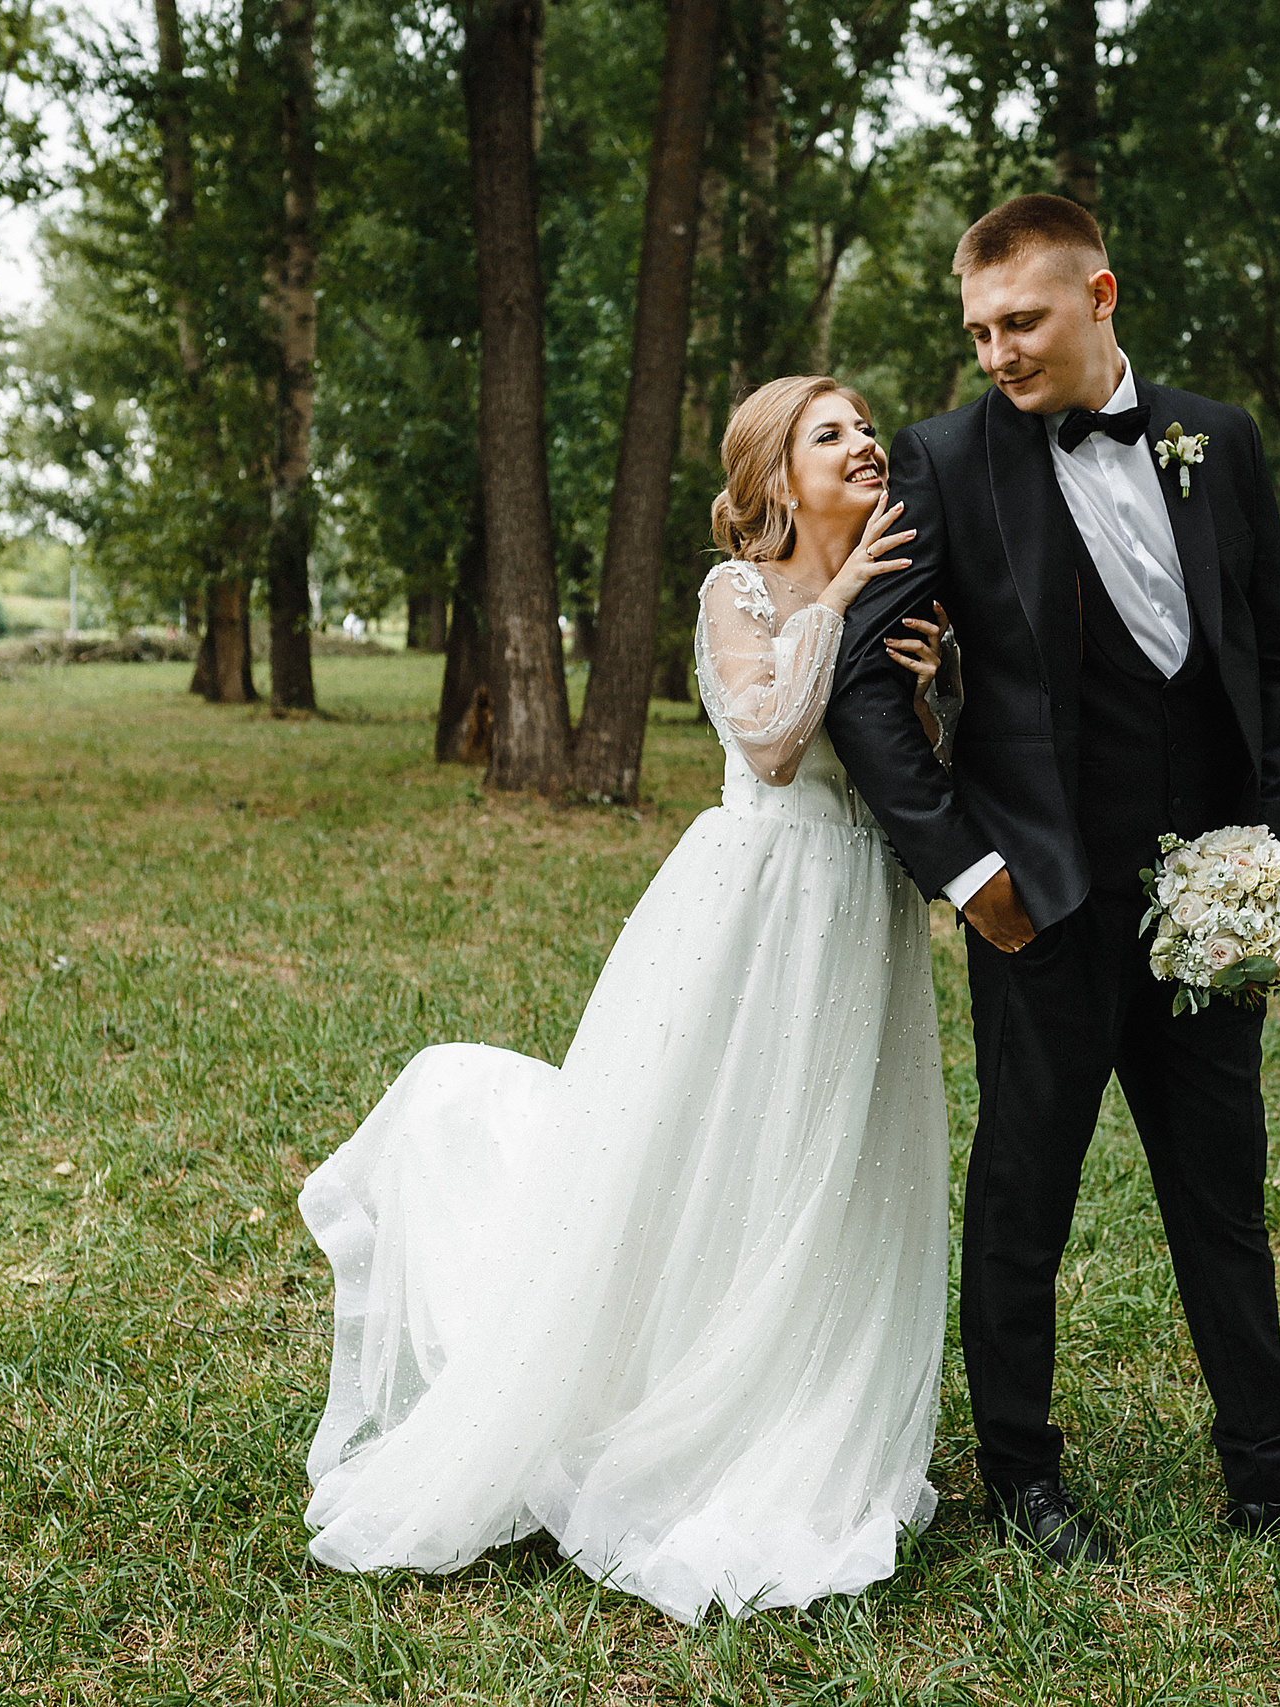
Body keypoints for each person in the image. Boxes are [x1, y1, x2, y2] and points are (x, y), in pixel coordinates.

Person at [824, 194, 1280, 1564]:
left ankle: (1274, 1467)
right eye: (978, 330)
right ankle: (1023, 1477)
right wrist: (969, 869)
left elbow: (1276, 664)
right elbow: (864, 686)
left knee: (1224, 1189)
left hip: (1205, 905)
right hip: (1040, 902)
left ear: (1099, 296)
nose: (996, 351)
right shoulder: (944, 460)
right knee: (1024, 1196)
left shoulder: (1219, 439)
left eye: (1021, 321)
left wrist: (1262, 861)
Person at [299, 375, 959, 1624]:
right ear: (774, 476)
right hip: (761, 904)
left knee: (829, 1164)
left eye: (868, 427)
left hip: (861, 918)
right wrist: (838, 601)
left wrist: (933, 689)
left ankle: (800, 1400)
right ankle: (676, 1392)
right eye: (830, 433)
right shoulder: (740, 591)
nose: (865, 444)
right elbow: (769, 742)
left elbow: (909, 781)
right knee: (726, 1151)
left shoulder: (893, 598)